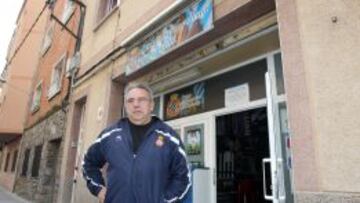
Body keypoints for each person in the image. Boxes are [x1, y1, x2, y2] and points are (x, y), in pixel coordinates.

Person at [82, 82, 191, 203]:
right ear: (125, 106)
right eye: (130, 101)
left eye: (142, 100)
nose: (136, 104)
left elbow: (183, 177)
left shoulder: (170, 138)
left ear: (151, 105)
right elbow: (88, 163)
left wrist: (165, 200)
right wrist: (99, 189)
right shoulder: (109, 136)